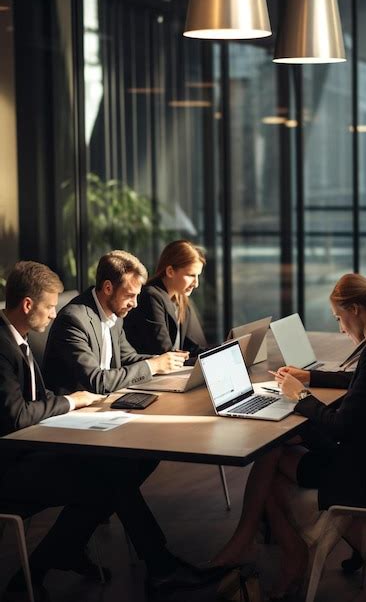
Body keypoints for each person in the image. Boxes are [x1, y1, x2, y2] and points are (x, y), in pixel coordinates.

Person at [0, 261, 221, 600]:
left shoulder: (18, 339)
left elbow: (40, 396)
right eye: (49, 308)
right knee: (111, 478)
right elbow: (16, 415)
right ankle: (158, 567)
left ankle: (60, 559)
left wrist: (169, 365)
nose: (54, 315)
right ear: (28, 305)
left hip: (37, 446)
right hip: (13, 465)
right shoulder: (4, 345)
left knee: (119, 472)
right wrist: (72, 402)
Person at [212, 274, 366, 597]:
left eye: (339, 318)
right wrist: (308, 376)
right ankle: (289, 548)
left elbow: (339, 426)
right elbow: (362, 387)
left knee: (273, 456)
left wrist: (300, 396)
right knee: (278, 454)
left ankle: (267, 548)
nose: (340, 328)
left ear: (355, 310)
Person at [43, 250, 189, 395]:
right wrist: (153, 366)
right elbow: (97, 381)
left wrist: (163, 360)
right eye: (129, 295)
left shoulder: (115, 313)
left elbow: (127, 358)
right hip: (73, 411)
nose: (135, 304)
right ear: (108, 288)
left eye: (137, 296)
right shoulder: (73, 321)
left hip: (104, 401)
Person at [124, 240, 207, 358]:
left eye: (198, 276)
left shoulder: (181, 300)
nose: (196, 283)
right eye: (190, 275)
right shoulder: (151, 298)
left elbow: (192, 347)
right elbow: (163, 353)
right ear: (170, 271)